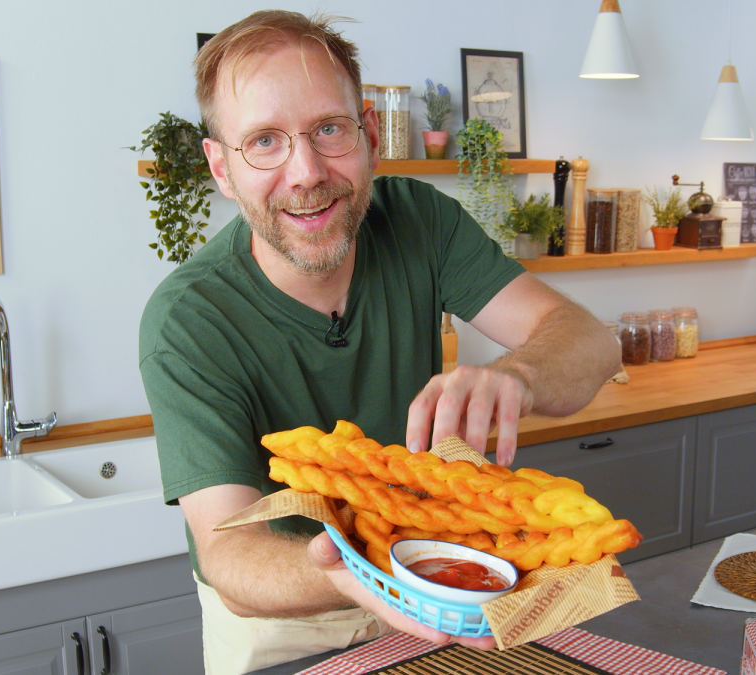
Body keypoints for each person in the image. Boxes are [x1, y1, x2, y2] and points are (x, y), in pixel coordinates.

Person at [138, 10, 620, 674]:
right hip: (285, 622)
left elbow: (593, 343)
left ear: (368, 132)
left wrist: (520, 374)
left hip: (433, 584)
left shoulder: (421, 221)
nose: (306, 172)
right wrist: (353, 575)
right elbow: (231, 556)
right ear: (220, 167)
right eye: (265, 142)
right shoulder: (188, 319)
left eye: (328, 130)